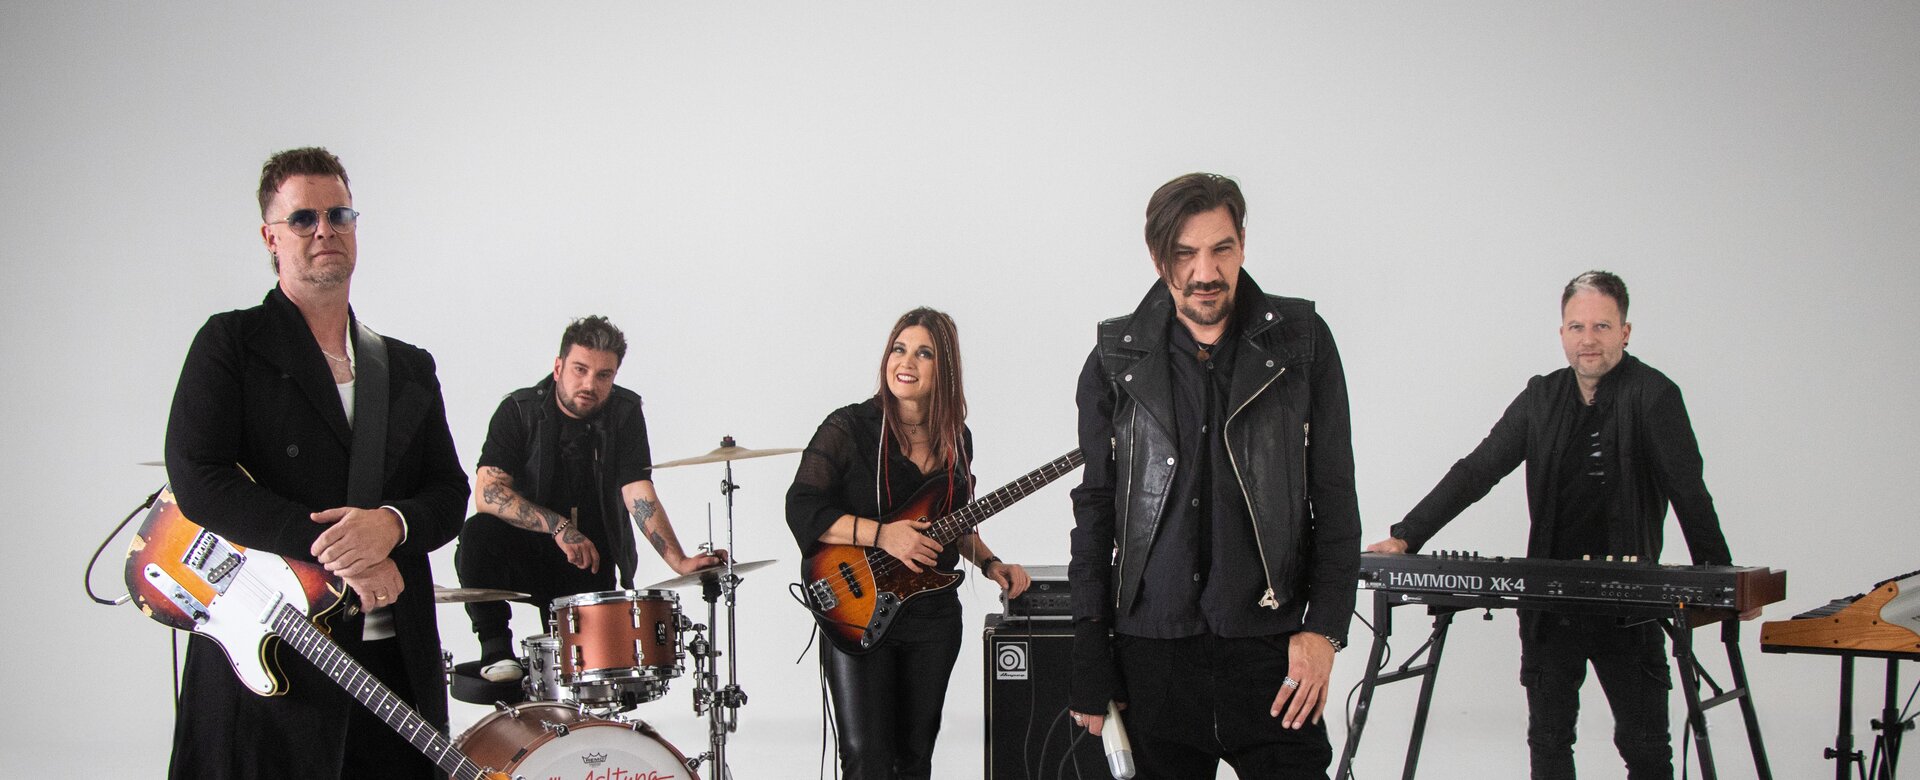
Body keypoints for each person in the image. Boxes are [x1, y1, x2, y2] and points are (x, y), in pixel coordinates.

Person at [163, 147, 470, 778]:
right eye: (303, 218)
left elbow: (449, 491)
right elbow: (198, 476)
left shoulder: (408, 366)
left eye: (339, 214)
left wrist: (392, 524)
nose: (324, 230)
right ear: (270, 238)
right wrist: (334, 547)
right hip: (275, 653)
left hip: (393, 666)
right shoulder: (231, 343)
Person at [1367, 270, 1734, 780]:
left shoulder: (1655, 396)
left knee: (1646, 747)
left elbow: (1689, 492)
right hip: (1551, 608)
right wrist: (1408, 534)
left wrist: (1721, 581)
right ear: (1561, 332)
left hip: (1632, 609)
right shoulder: (1541, 397)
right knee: (1549, 742)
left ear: (1625, 331)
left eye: (1602, 327)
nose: (1589, 340)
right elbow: (1478, 470)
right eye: (1577, 326)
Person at [1068, 172, 1361, 779]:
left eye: (1221, 248)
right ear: (1158, 258)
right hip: (1153, 654)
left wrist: (1324, 631)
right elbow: (1095, 508)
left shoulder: (1304, 344)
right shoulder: (1113, 360)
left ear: (1244, 244)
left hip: (1271, 649)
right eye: (1186, 253)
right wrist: (1090, 649)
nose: (1206, 271)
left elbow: (1335, 499)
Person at [786, 307, 1032, 779]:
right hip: (857, 608)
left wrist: (990, 563)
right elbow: (801, 507)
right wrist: (882, 534)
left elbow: (954, 524)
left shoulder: (956, 438)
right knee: (866, 758)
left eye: (924, 353)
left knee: (914, 761)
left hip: (932, 617)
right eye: (899, 348)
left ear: (946, 370)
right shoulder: (849, 428)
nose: (907, 361)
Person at [454, 314, 724, 680]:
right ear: (558, 366)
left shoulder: (624, 413)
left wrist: (678, 560)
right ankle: (497, 651)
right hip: (525, 549)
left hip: (590, 559)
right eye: (579, 370)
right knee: (477, 532)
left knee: (585, 679)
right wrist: (558, 528)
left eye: (603, 375)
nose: (589, 384)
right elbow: (488, 493)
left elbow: (638, 491)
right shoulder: (519, 411)